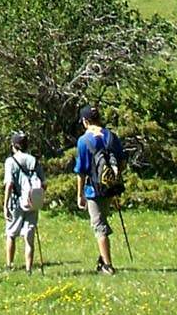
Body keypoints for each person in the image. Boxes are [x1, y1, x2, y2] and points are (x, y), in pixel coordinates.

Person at [71, 104, 122, 274]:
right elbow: (122, 162)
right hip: (110, 186)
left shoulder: (84, 141)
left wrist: (80, 195)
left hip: (94, 189)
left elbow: (81, 170)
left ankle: (107, 265)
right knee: (103, 219)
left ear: (85, 121)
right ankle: (102, 260)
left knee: (99, 225)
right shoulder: (112, 137)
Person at [0, 130, 43, 272]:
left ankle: (9, 265)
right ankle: (29, 268)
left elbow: (9, 184)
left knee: (11, 234)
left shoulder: (10, 161)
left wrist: (5, 205)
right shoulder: (34, 160)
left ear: (14, 145)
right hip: (32, 201)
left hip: (16, 202)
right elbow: (43, 184)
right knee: (29, 235)